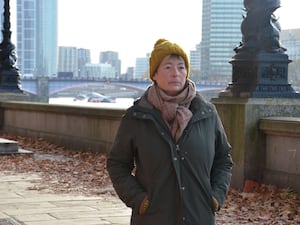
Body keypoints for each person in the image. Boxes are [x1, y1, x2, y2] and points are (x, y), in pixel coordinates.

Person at [107, 38, 233, 225]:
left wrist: (215, 196)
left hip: (199, 217)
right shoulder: (136, 117)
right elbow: (117, 164)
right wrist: (139, 200)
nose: (176, 73)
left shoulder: (206, 113)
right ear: (155, 74)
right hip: (152, 218)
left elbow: (223, 160)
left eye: (181, 67)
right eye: (168, 67)